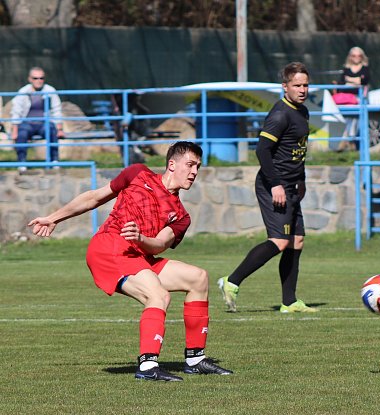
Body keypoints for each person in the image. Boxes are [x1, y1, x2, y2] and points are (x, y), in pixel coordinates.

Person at [28, 141, 232, 381]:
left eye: (198, 166)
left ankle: (195, 359)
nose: (194, 172)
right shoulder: (137, 173)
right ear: (171, 164)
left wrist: (141, 238)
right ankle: (147, 366)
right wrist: (53, 218)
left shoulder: (181, 216)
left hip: (139, 254)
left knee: (198, 278)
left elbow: (158, 244)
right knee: (158, 295)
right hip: (108, 248)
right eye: (190, 165)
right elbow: (94, 198)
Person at [217, 62, 317, 314]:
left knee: (296, 240)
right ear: (285, 86)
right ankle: (231, 281)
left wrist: (301, 179)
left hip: (292, 185)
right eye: (297, 85)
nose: (302, 89)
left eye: (305, 84)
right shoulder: (280, 114)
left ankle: (289, 301)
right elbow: (262, 149)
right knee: (280, 241)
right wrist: (276, 185)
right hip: (274, 185)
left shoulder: (302, 111)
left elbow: (299, 150)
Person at [10, 67, 64, 172]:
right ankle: (21, 162)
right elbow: (16, 111)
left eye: (41, 78)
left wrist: (60, 129)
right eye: (35, 78)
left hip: (44, 123)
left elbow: (57, 110)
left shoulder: (50, 90)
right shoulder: (23, 91)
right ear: (30, 79)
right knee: (22, 133)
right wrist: (14, 130)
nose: (38, 81)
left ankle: (54, 161)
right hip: (27, 123)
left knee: (51, 130)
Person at [336, 46, 370, 151]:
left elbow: (364, 82)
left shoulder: (365, 68)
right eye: (353, 55)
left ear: (362, 56)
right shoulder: (346, 68)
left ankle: (351, 141)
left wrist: (349, 80)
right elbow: (341, 82)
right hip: (347, 99)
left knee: (355, 120)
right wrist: (356, 80)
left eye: (359, 55)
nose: (356, 57)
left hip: (359, 99)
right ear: (350, 57)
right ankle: (346, 140)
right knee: (346, 119)